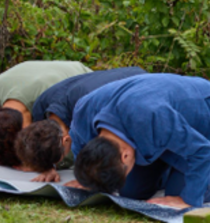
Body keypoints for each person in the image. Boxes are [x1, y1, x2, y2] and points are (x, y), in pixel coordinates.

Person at [69, 74, 210, 209]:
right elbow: (78, 143)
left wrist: (188, 200)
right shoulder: (84, 111)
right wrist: (87, 177)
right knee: (131, 193)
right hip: (156, 122)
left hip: (204, 109)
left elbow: (202, 151)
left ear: (124, 155)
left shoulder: (152, 116)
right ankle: (171, 162)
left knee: (182, 195)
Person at [15, 66, 146, 180]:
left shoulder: (91, 111)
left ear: (66, 140)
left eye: (59, 160)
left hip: (141, 87)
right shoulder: (41, 106)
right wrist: (48, 167)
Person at [0, 60, 91, 165]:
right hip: (33, 74)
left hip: (83, 77)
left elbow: (71, 148)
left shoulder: (55, 104)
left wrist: (39, 164)